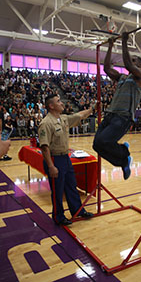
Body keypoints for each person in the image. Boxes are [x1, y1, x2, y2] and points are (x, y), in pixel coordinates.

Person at [93, 32, 141, 180]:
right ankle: (123, 158)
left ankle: (124, 154)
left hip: (123, 117)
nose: (130, 61)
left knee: (103, 141)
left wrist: (124, 42)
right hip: (111, 115)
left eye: (134, 60)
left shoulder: (140, 75)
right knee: (97, 145)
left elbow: (128, 63)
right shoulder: (122, 77)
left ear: (139, 65)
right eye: (132, 59)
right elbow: (107, 68)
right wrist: (110, 46)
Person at [38, 94, 94, 226]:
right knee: (57, 190)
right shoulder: (46, 123)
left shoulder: (62, 119)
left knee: (71, 185)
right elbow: (45, 148)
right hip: (54, 159)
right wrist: (51, 166)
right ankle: (58, 217)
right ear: (51, 106)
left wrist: (92, 109)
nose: (62, 103)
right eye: (58, 101)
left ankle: (77, 210)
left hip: (65, 158)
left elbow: (79, 115)